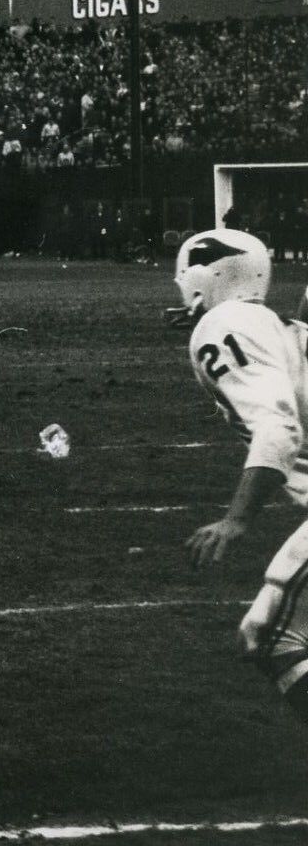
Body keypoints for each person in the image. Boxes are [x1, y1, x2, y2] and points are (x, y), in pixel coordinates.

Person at [176, 229, 308, 724]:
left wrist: (237, 519)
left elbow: (278, 427)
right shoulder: (274, 324)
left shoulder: (225, 323)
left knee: (270, 637)